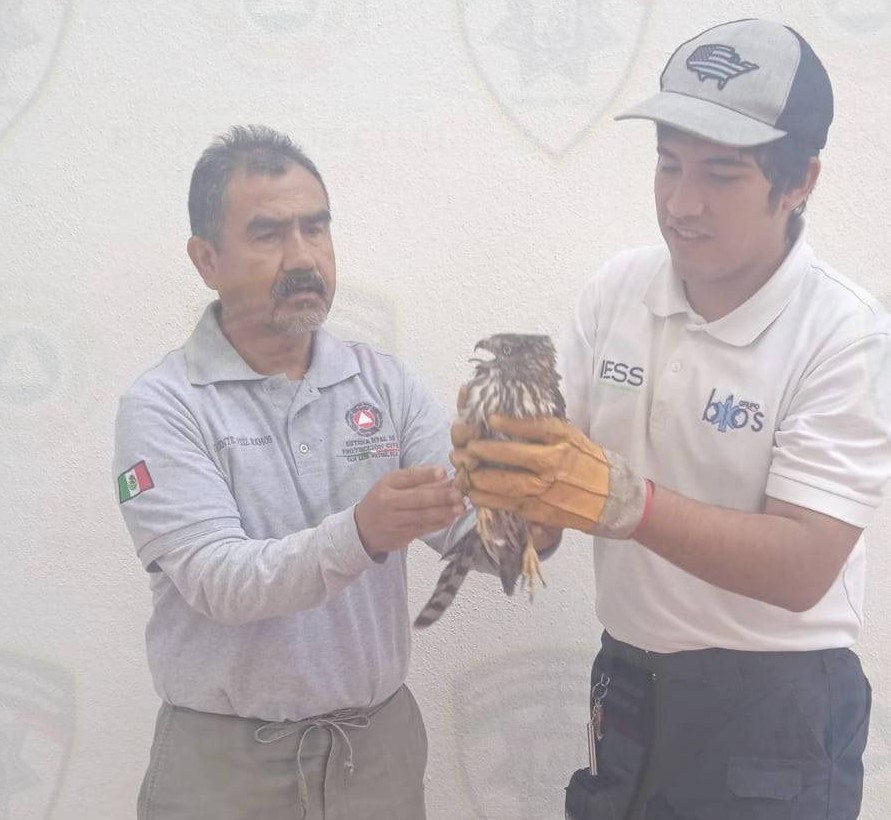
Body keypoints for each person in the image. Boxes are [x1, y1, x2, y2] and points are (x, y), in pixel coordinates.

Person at [452, 19, 891, 819]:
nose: (680, 204)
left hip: (775, 706)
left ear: (799, 181)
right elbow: (552, 513)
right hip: (625, 678)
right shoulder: (617, 290)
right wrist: (496, 500)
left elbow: (802, 567)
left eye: (720, 174)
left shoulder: (845, 333)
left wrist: (623, 502)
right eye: (667, 164)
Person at [113, 124, 548, 820]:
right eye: (268, 234)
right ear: (206, 259)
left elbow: (475, 534)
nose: (302, 257)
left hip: (374, 754)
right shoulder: (163, 405)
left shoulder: (385, 384)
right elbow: (217, 580)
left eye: (316, 229)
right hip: (225, 768)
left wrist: (537, 507)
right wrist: (363, 533)